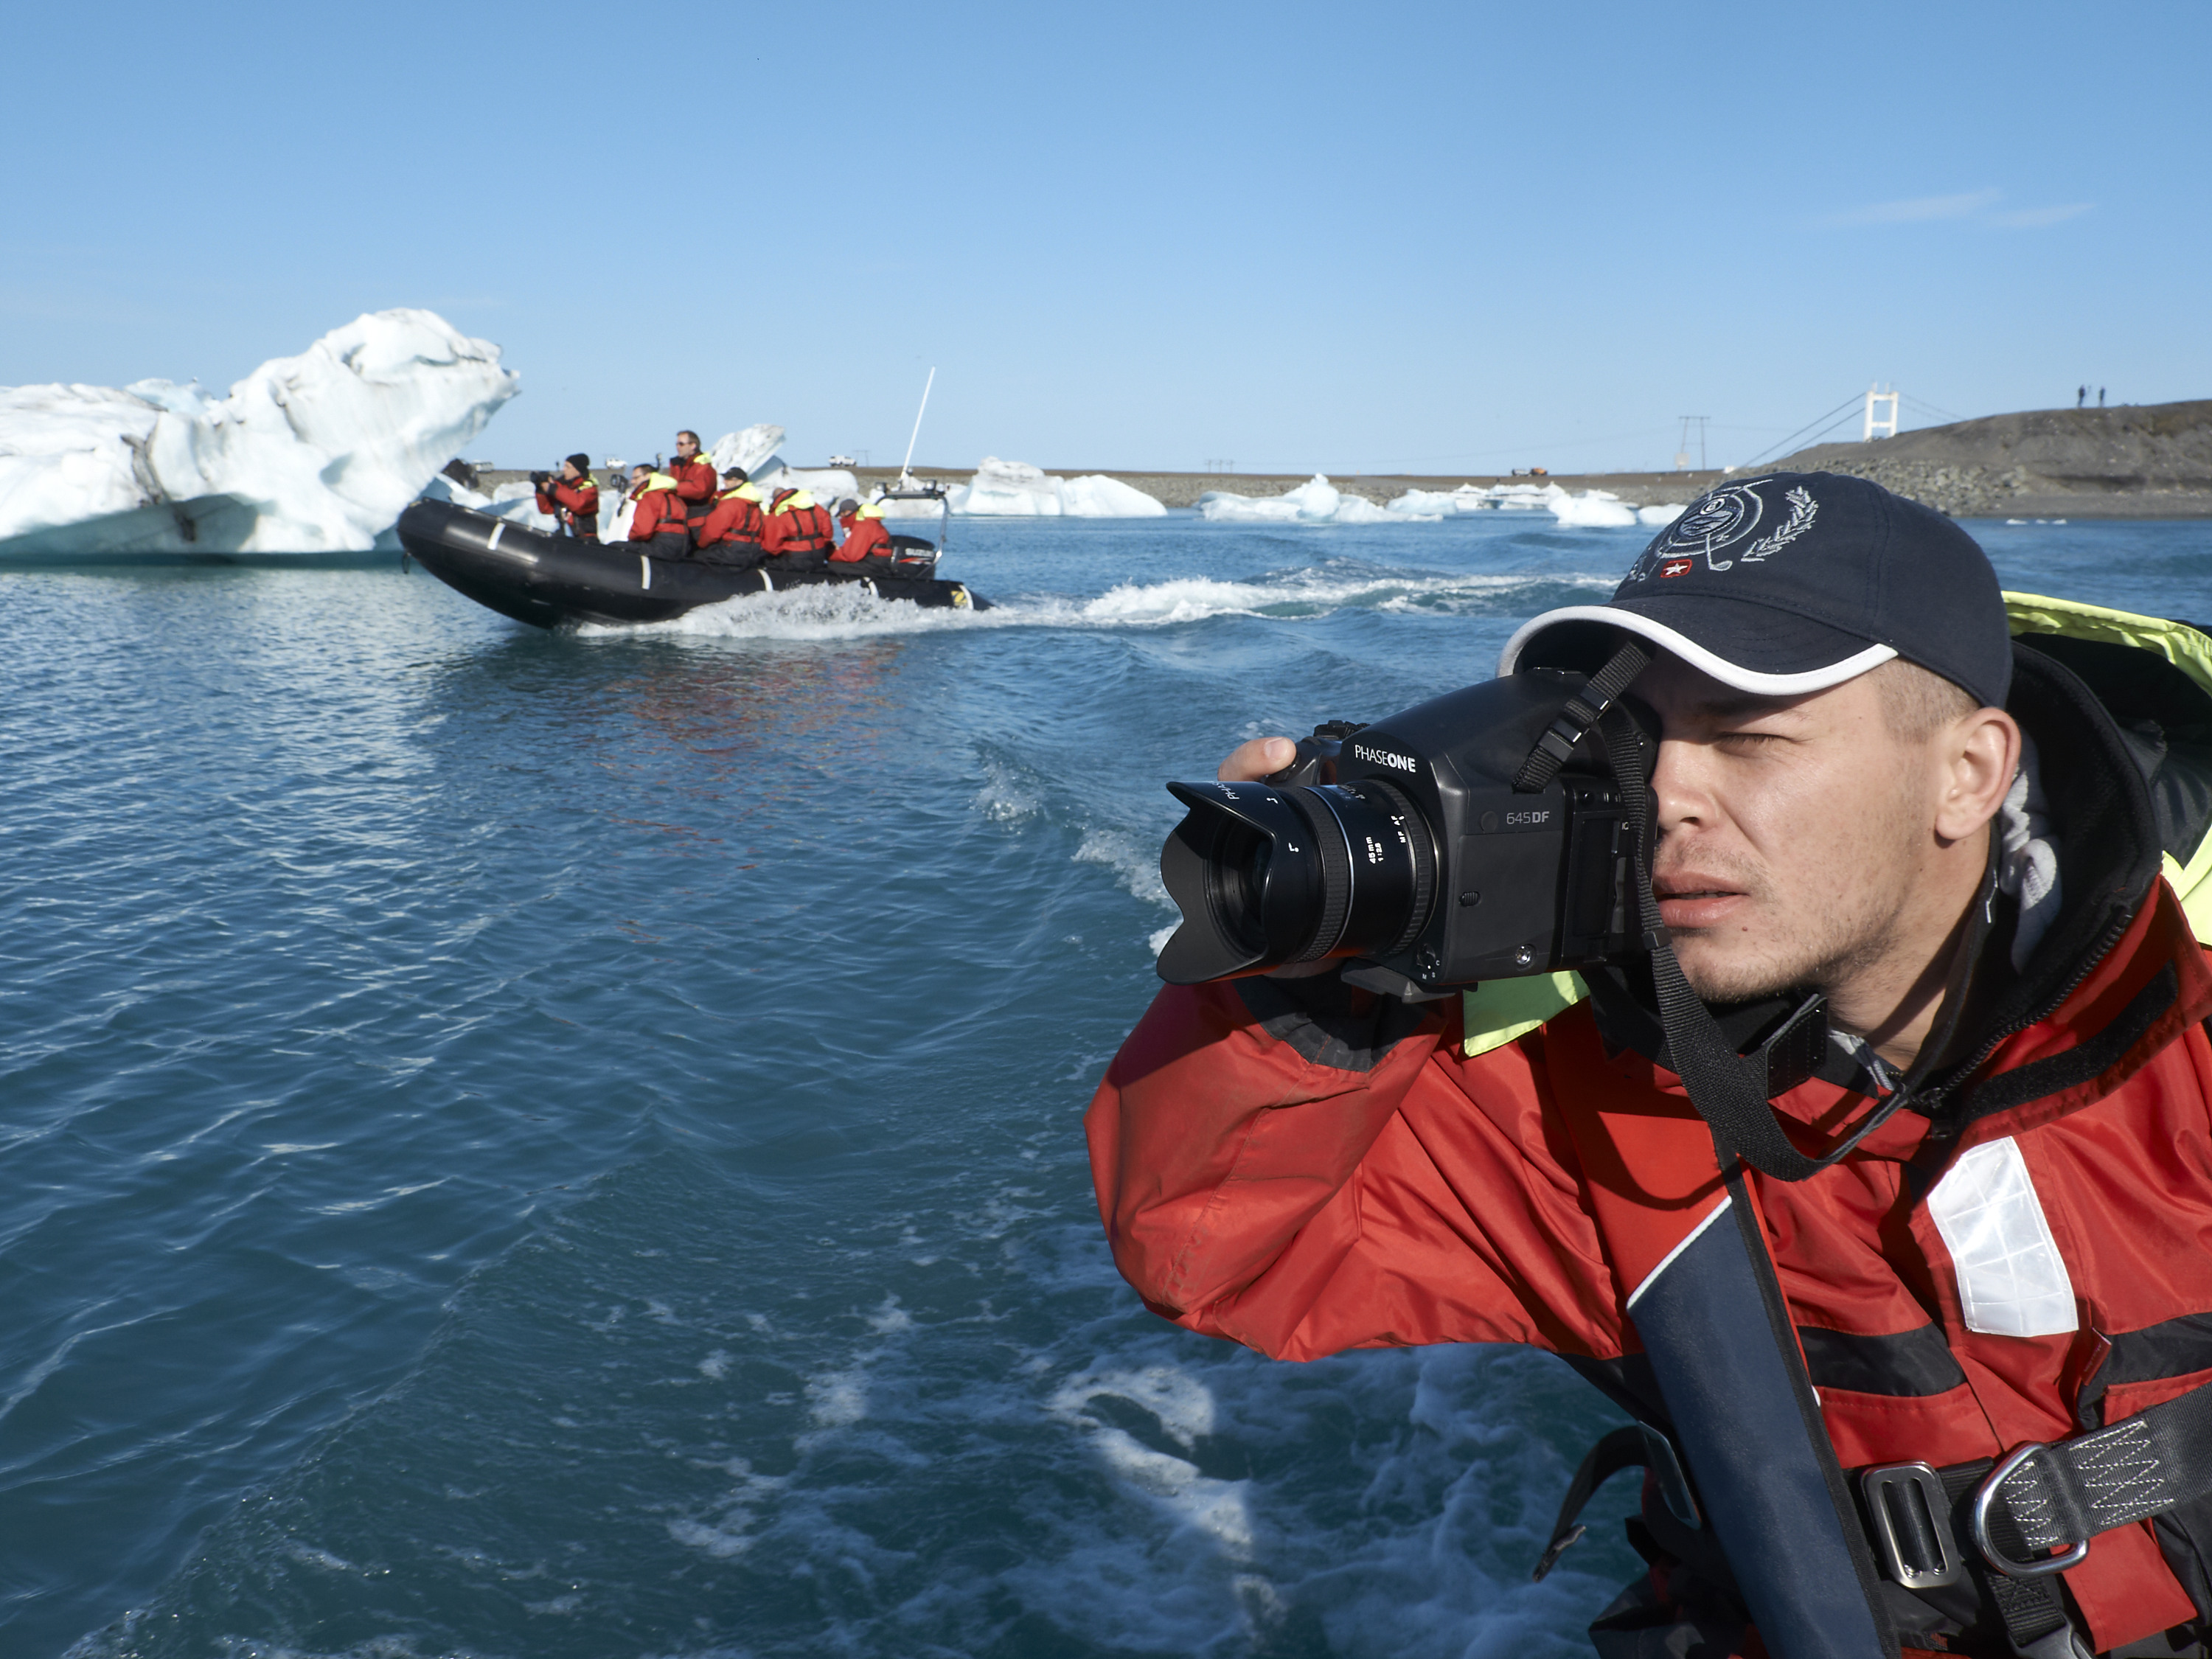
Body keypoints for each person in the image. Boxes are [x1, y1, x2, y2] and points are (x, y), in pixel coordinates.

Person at [1087, 470, 2212, 1659]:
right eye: (1644, 738)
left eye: (1748, 734)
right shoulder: (1600, 1104)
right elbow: (1209, 1245)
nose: (1666, 794)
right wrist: (1316, 977)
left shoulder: (2179, 1023)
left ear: (1968, 774)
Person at [692, 467, 768, 567]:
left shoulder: (731, 504)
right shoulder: (757, 507)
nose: (725, 481)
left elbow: (711, 532)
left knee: (696, 557)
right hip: (753, 551)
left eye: (729, 479)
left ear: (740, 482)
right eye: (725, 478)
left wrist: (700, 545)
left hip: (731, 550)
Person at [623, 464, 693, 557]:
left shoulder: (651, 496)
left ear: (648, 476)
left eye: (636, 478)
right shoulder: (675, 497)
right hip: (683, 545)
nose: (632, 482)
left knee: (615, 546)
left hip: (662, 545)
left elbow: (642, 531)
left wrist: (630, 538)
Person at [762, 485, 835, 572]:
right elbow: (828, 533)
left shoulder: (780, 513)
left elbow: (772, 547)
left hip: (796, 559)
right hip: (819, 555)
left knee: (765, 561)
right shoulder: (815, 507)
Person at [532, 453, 599, 540]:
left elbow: (578, 504)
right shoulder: (562, 487)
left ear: (577, 470)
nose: (564, 470)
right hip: (565, 536)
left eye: (567, 467)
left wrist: (553, 489)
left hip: (586, 539)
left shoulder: (590, 490)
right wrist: (541, 490)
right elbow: (546, 508)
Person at [668, 430, 718, 526]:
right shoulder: (677, 466)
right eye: (677, 444)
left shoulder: (703, 466)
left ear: (693, 446)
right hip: (681, 518)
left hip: (699, 519)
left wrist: (673, 487)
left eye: (681, 444)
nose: (677, 447)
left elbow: (700, 489)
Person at [830, 498, 892, 564]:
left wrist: (830, 553)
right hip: (878, 560)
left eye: (841, 516)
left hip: (875, 562)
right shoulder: (869, 523)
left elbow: (851, 556)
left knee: (832, 566)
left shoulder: (863, 526)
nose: (841, 519)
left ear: (846, 512)